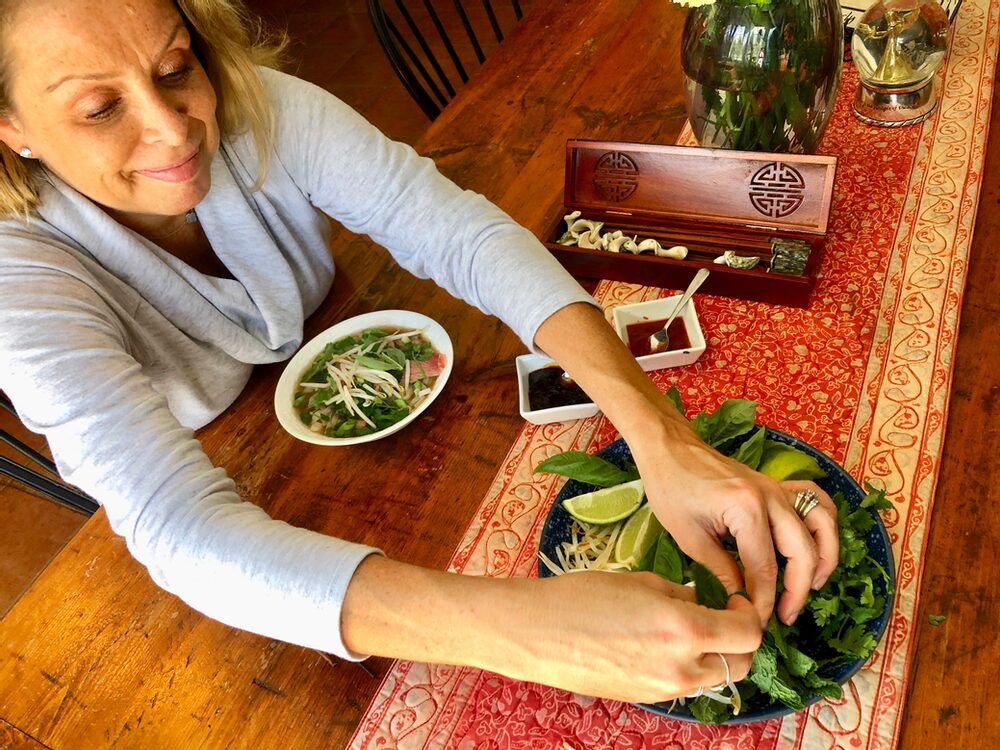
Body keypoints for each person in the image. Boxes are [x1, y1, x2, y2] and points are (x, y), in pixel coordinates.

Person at [0, 0, 839, 703]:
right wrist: (518, 631)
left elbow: (454, 231)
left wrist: (663, 436)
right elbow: (176, 525)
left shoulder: (252, 103)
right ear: (13, 128)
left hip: (342, 395)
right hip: (230, 498)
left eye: (175, 67)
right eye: (99, 109)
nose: (174, 129)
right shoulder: (16, 274)